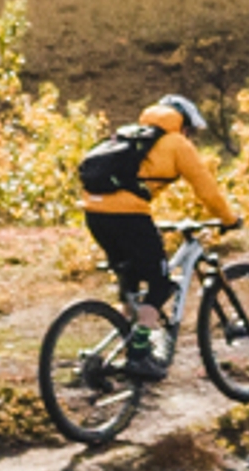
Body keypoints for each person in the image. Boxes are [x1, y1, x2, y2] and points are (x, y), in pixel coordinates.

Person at [79, 94, 233, 377]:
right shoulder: (176, 143)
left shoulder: (128, 136)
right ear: (182, 124)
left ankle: (123, 346)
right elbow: (206, 187)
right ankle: (139, 354)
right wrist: (228, 218)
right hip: (128, 215)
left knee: (132, 282)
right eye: (190, 130)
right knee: (161, 283)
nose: (190, 136)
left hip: (93, 212)